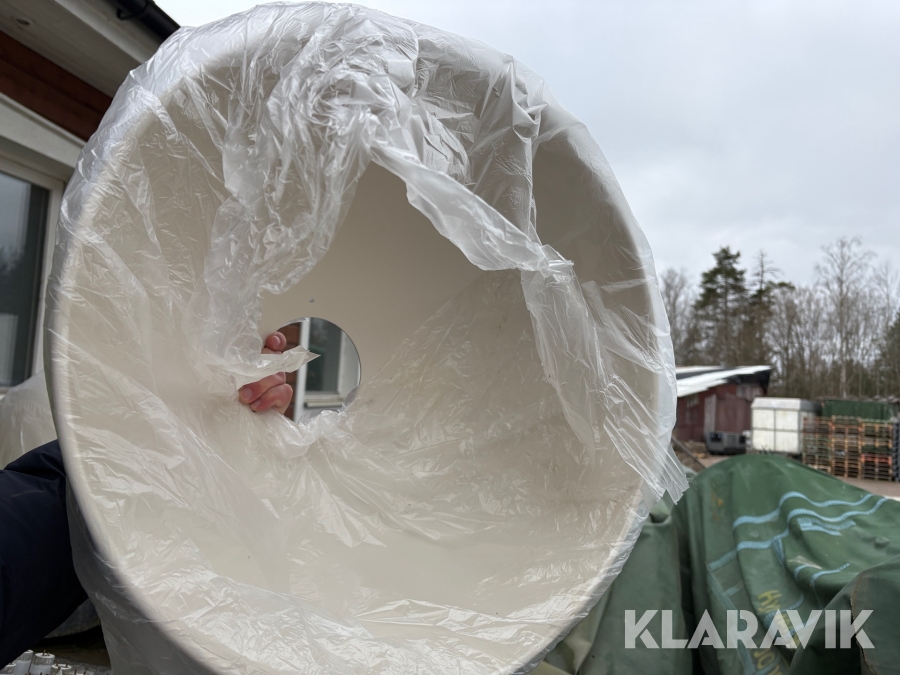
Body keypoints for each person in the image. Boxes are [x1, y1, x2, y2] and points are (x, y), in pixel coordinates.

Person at [0, 332, 293, 665]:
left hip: (65, 589)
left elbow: (48, 511)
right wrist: (189, 437)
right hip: (86, 595)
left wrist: (178, 436)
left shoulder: (36, 394)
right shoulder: (90, 392)